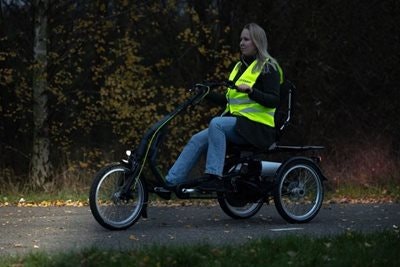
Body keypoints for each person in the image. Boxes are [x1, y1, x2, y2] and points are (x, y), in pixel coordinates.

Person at [165, 22, 283, 191]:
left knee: (216, 123)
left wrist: (251, 91)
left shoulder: (268, 67)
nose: (241, 43)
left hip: (258, 129)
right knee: (197, 139)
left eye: (246, 39)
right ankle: (171, 182)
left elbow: (273, 100)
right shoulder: (238, 67)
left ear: (257, 42)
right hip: (241, 126)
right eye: (241, 39)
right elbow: (230, 101)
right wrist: (206, 94)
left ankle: (214, 176)